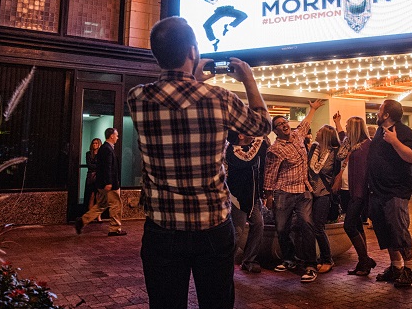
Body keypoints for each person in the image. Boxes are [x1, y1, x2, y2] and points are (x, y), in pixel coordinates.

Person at [126, 16, 271, 309]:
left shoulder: (137, 98)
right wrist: (249, 79)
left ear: (156, 55)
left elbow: (178, 99)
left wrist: (193, 78)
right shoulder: (220, 98)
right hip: (212, 225)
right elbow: (263, 126)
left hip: (162, 227)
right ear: (192, 52)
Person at [264, 99, 325, 284]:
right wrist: (268, 197)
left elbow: (306, 123)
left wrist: (313, 109)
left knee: (307, 224)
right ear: (275, 131)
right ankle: (289, 259)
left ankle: (310, 265)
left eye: (285, 122)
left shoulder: (298, 136)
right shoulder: (275, 150)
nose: (284, 126)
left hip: (303, 191)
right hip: (284, 192)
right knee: (282, 228)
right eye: (279, 125)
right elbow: (269, 174)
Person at [367, 100, 412, 288]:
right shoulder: (380, 133)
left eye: (380, 109)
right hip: (378, 191)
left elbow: (411, 157)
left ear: (387, 114)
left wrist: (395, 141)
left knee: (398, 230)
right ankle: (396, 266)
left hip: (395, 190)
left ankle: (410, 268)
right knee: (385, 231)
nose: (377, 112)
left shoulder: (403, 132)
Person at [334, 115, 375, 276]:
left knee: (349, 225)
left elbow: (366, 171)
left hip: (358, 191)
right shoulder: (351, 144)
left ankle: (365, 260)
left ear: (355, 129)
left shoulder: (366, 146)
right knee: (356, 225)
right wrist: (337, 123)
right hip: (346, 189)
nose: (346, 128)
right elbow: (343, 136)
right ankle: (363, 262)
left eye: (348, 126)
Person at [225, 131, 269, 274]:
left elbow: (261, 163)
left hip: (253, 197)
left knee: (258, 225)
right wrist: (260, 139)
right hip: (238, 198)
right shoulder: (232, 150)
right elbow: (247, 160)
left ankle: (249, 260)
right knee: (237, 232)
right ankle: (225, 265)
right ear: (240, 136)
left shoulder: (251, 148)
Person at [75, 128, 125, 236]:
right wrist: (109, 182)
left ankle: (82, 221)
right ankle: (115, 229)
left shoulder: (104, 148)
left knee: (101, 205)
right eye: (116, 135)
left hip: (103, 184)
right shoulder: (107, 149)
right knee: (116, 204)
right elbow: (107, 167)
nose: (117, 137)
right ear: (111, 136)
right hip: (109, 185)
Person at [307, 124, 340, 274]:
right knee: (310, 226)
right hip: (310, 192)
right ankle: (317, 258)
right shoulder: (314, 149)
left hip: (324, 193)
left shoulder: (334, 153)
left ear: (325, 135)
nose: (316, 132)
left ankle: (328, 259)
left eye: (319, 131)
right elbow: (308, 169)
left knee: (319, 227)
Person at [83, 138, 102, 216]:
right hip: (91, 177)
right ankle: (90, 215)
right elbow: (89, 165)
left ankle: (98, 216)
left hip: (99, 177)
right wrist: (97, 166)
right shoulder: (88, 154)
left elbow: (101, 165)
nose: (95, 145)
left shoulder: (101, 154)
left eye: (96, 143)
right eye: (93, 143)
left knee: (98, 197)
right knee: (91, 196)